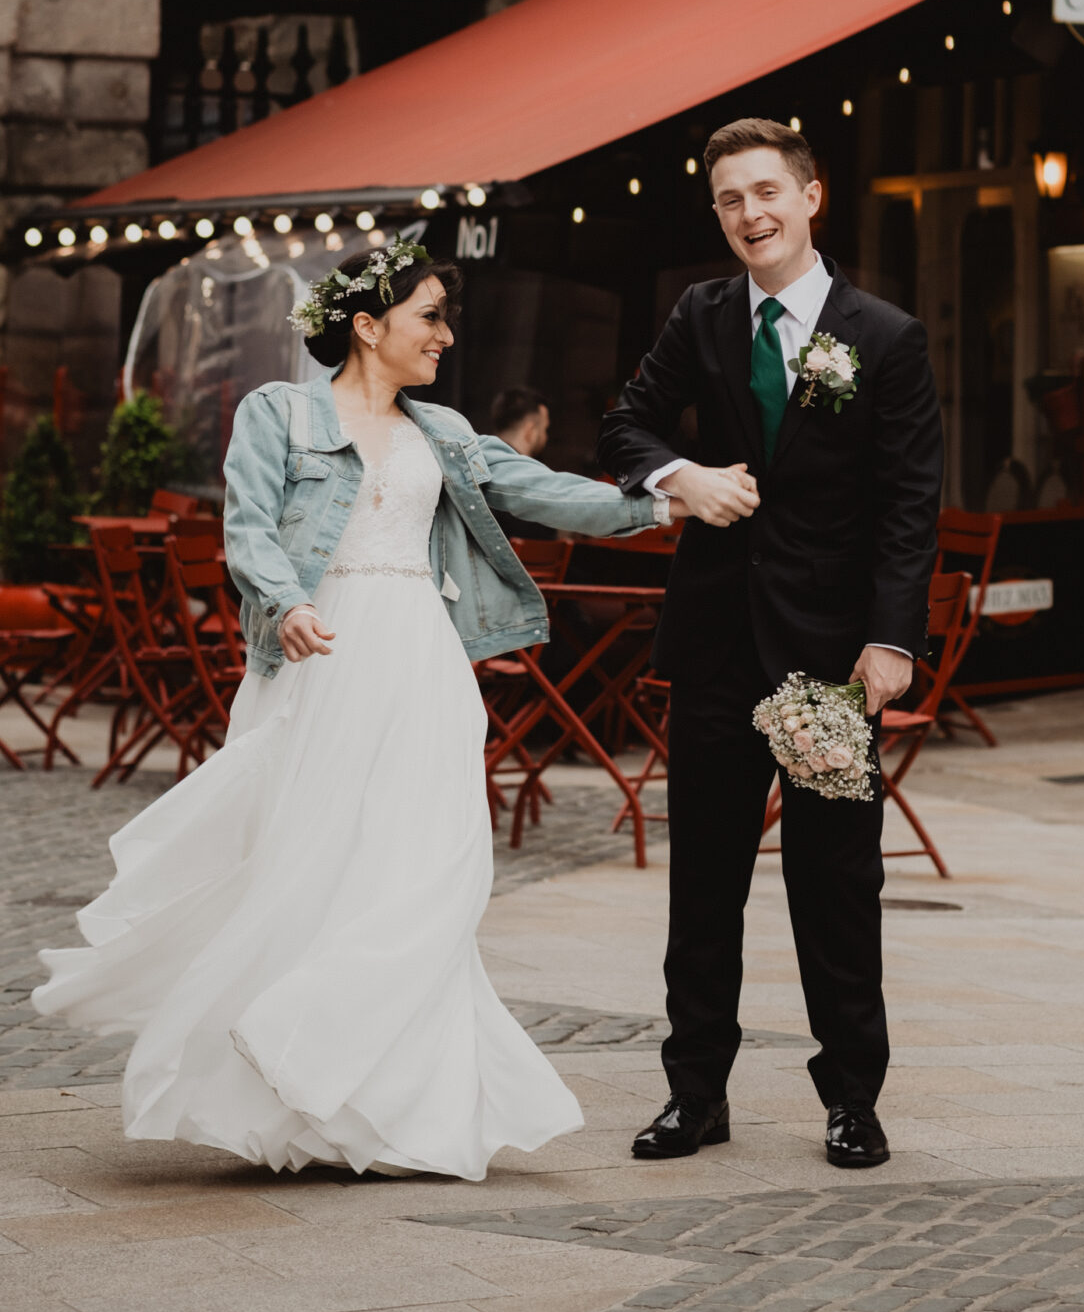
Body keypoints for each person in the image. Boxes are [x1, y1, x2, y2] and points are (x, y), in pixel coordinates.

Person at [33, 239, 687, 1179]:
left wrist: (663, 506)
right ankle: (295, 1065)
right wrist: (285, 601)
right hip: (321, 653)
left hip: (421, 655)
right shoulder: (280, 412)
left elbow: (539, 490)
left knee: (435, 863)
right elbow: (248, 525)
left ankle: (356, 1071)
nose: (445, 335)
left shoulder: (446, 429)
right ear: (369, 326)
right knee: (313, 859)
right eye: (429, 316)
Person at [597, 119, 943, 1170]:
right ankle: (694, 1094)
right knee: (702, 881)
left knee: (833, 882)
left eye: (764, 193)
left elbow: (908, 505)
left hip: (831, 660)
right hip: (710, 647)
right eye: (729, 201)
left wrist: (891, 638)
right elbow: (624, 427)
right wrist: (678, 478)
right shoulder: (700, 316)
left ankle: (852, 1099)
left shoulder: (882, 337)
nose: (749, 215)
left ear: (809, 197)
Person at [488, 387, 554, 541]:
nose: (545, 437)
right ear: (530, 430)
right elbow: (545, 538)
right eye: (545, 429)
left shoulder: (472, 463)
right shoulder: (531, 477)